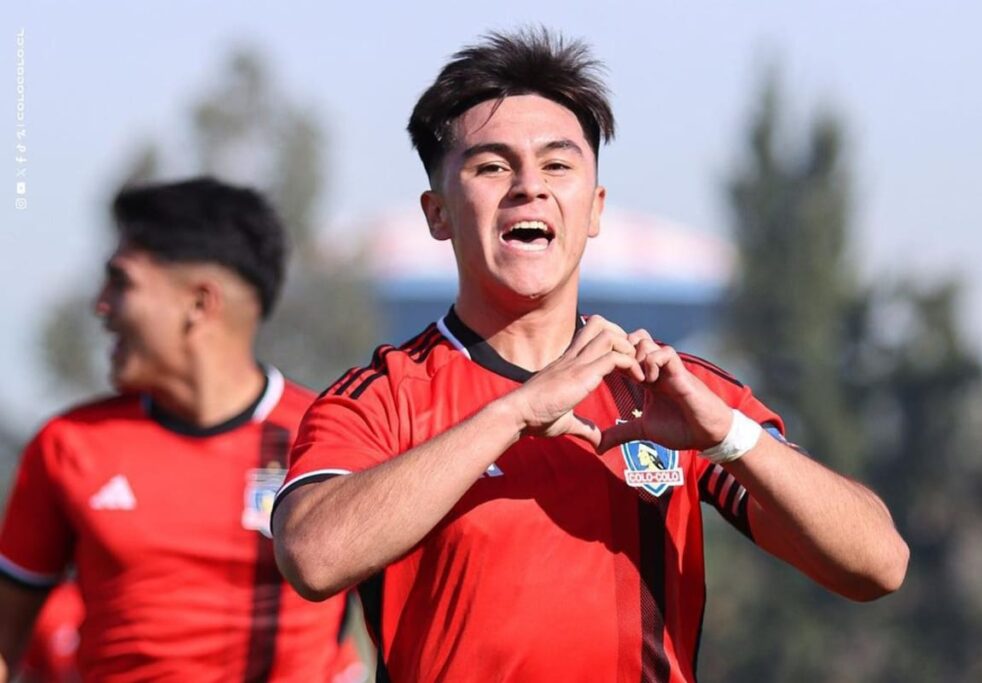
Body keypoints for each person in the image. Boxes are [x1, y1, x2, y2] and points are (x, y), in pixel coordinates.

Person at [272, 29, 909, 682]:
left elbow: (878, 564)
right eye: (492, 166)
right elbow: (313, 555)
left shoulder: (673, 389)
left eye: (557, 164)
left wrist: (726, 436)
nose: (529, 188)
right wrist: (515, 413)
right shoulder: (381, 397)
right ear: (438, 213)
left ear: (595, 207)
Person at [0, 177, 353, 682]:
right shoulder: (69, 445)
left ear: (200, 303)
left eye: (121, 282)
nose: (101, 305)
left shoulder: (329, 436)